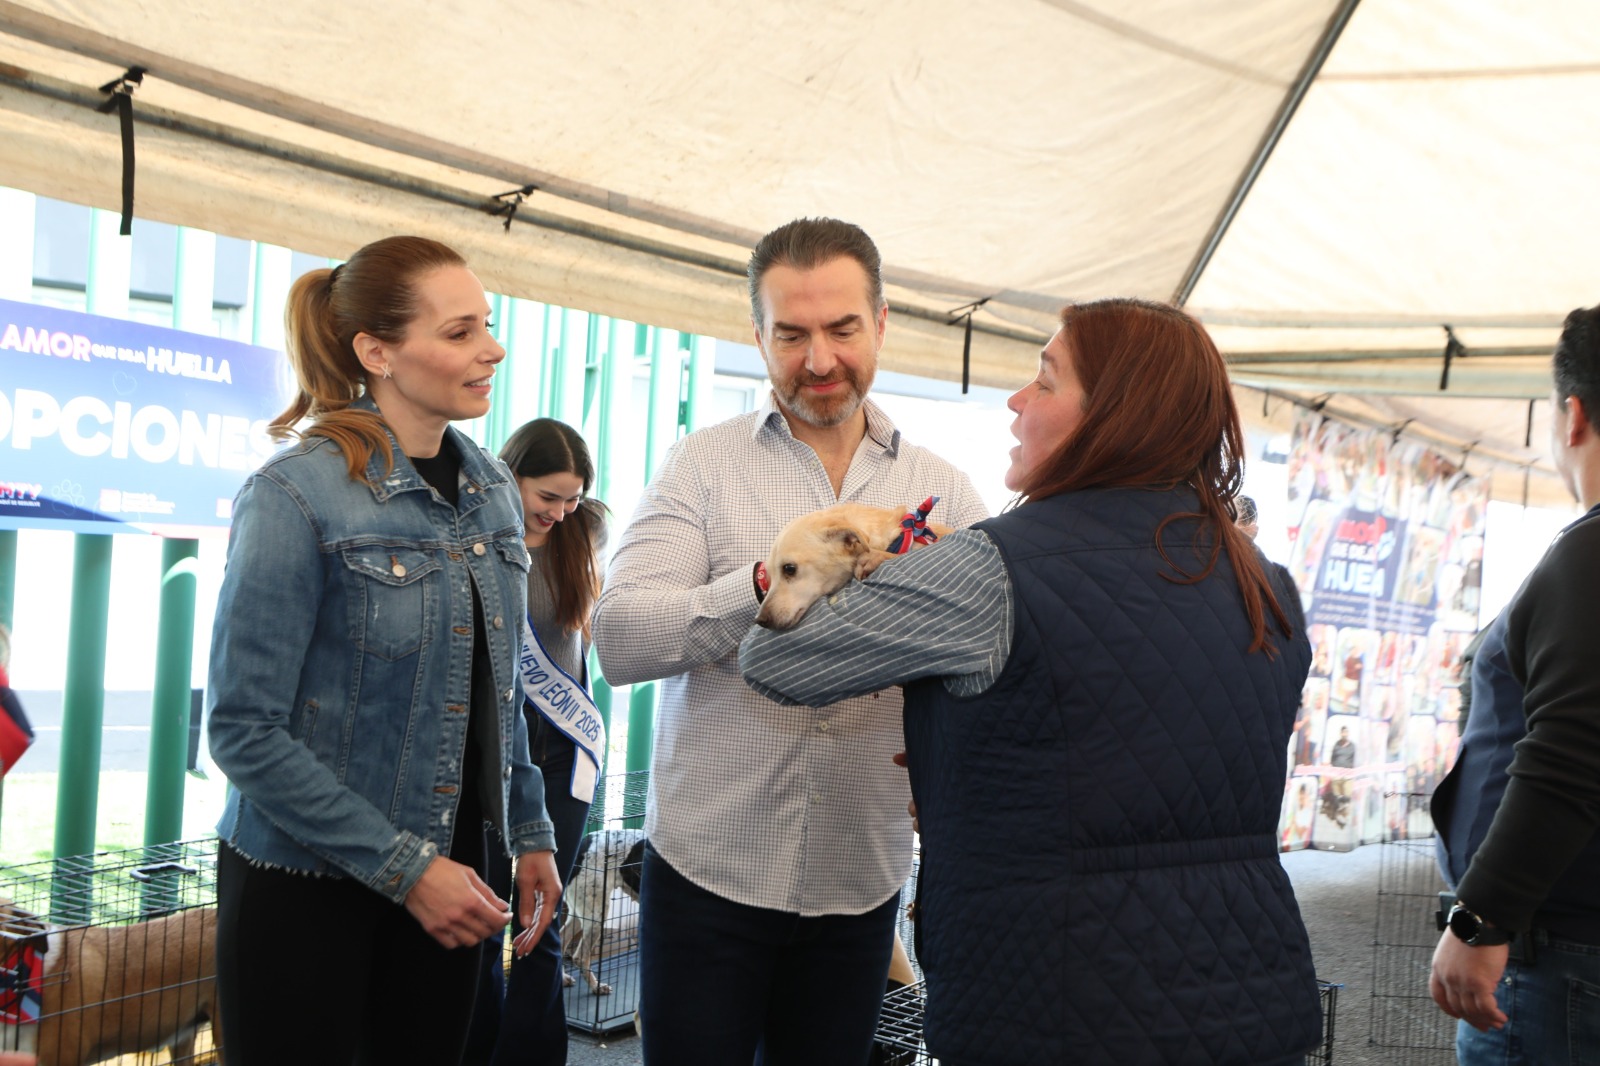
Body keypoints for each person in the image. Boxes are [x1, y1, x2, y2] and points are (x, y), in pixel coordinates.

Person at [741, 298, 1323, 1064]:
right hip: (1248, 996)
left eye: (1044, 381)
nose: (1016, 401)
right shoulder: (1266, 581)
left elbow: (775, 661)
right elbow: (1150, 746)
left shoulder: (989, 568)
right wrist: (967, 756)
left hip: (1055, 1003)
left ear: (1115, 413)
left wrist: (850, 555)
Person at [591, 217, 988, 1064]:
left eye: (842, 329)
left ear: (880, 323)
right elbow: (619, 640)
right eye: (791, 334)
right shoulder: (702, 464)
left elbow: (989, 658)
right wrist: (775, 577)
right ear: (757, 335)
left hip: (860, 879)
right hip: (709, 873)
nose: (818, 360)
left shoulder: (942, 492)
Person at [206, 235, 561, 1066]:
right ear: (378, 352)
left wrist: (529, 827)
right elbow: (244, 731)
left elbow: (491, 694)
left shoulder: (495, 491)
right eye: (460, 331)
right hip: (307, 893)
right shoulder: (293, 495)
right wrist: (408, 872)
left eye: (490, 325)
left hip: (456, 874)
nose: (493, 348)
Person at [1429, 303, 1600, 1064]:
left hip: (1562, 957)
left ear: (1572, 415)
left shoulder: (1589, 557)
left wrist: (1480, 920)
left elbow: (1571, 749)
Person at [467, 418, 609, 1066]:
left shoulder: (583, 535)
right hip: (496, 761)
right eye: (546, 496)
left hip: (564, 758)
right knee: (483, 917)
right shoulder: (477, 537)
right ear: (509, 476)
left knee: (541, 923)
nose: (558, 512)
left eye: (571, 499)